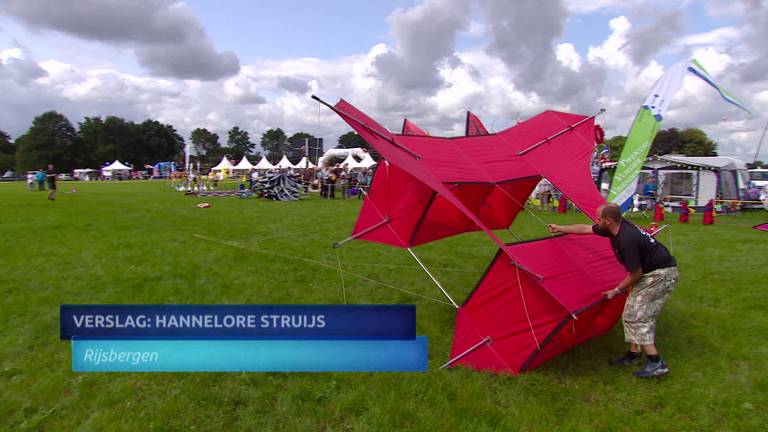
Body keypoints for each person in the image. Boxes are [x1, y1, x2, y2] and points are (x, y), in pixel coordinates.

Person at [547, 202, 679, 378]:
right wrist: (559, 228)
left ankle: (656, 362)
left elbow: (636, 273)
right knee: (632, 310)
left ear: (608, 220)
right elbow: (585, 228)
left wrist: (616, 290)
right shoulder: (613, 227)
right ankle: (633, 355)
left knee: (636, 316)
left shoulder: (626, 239)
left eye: (598, 218)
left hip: (661, 275)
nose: (595, 220)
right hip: (651, 271)